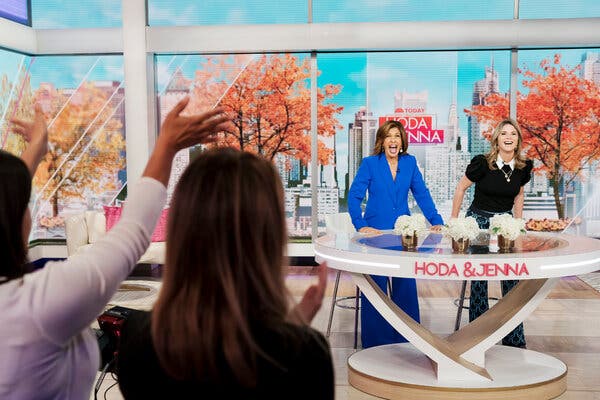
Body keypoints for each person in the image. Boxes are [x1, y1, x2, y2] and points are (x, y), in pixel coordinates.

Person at [0, 97, 231, 399]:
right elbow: (133, 228)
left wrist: (35, 152)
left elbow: (6, 200)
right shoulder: (38, 304)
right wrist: (166, 145)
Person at [115, 147, 334, 399]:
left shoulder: (138, 341)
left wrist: (290, 334)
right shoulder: (307, 357)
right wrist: (292, 335)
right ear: (269, 239)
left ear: (181, 233)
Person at [348, 120, 444, 349]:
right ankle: (376, 342)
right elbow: (354, 197)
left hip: (403, 233)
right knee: (376, 286)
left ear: (402, 142)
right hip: (375, 234)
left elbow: (422, 194)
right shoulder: (370, 163)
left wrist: (436, 221)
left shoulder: (409, 163)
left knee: (406, 284)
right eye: (388, 136)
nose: (393, 140)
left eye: (397, 136)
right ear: (381, 141)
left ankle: (407, 338)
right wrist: (361, 225)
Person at [451, 118, 533, 348]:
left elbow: (518, 195)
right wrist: (454, 223)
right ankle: (478, 337)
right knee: (480, 280)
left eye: (513, 134)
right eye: (504, 133)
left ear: (518, 140)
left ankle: (514, 339)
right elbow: (460, 188)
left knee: (511, 279)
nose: (508, 137)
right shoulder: (482, 163)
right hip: (478, 220)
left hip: (504, 223)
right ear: (496, 139)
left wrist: (517, 225)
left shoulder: (523, 167)